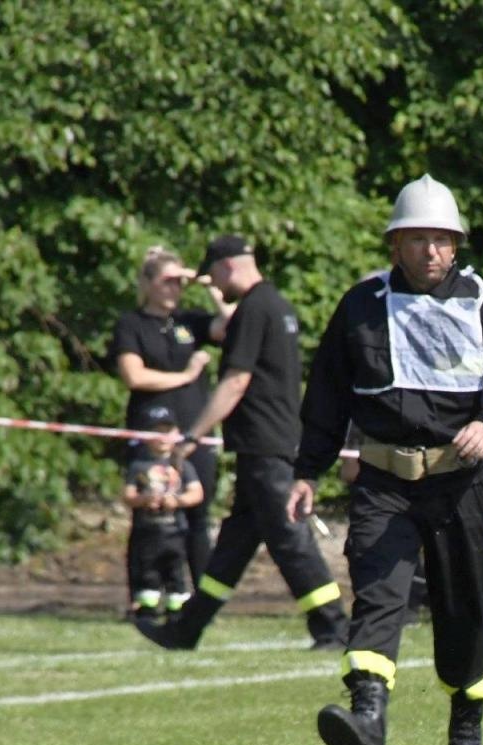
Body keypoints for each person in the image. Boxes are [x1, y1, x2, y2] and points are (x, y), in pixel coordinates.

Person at [289, 175, 483, 745]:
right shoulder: (360, 307)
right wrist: (307, 472)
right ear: (395, 244)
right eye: (417, 240)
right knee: (378, 593)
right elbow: (327, 398)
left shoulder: (481, 302)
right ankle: (368, 718)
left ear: (457, 245)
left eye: (441, 240)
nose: (430, 252)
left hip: (460, 481)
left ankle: (466, 727)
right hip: (384, 481)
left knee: (460, 604)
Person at [134, 235, 348, 652]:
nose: (214, 284)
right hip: (266, 443)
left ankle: (333, 626)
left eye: (214, 274)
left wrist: (193, 434)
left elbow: (235, 381)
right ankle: (186, 628)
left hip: (265, 445)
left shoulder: (254, 308)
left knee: (289, 538)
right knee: (233, 546)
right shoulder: (276, 305)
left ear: (228, 265)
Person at [110, 246, 231, 593]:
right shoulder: (132, 324)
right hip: (151, 431)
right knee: (148, 512)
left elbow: (232, 324)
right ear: (147, 283)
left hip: (195, 431)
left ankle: (201, 596)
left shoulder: (189, 322)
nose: (174, 289)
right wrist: (186, 375)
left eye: (179, 283)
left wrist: (208, 284)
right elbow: (134, 376)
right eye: (166, 281)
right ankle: (143, 594)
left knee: (198, 512)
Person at [122, 404, 203, 619]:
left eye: (167, 431)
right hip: (147, 530)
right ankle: (147, 607)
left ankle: (176, 607)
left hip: (175, 530)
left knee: (175, 571)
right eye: (156, 431)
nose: (162, 437)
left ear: (177, 434)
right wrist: (144, 499)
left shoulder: (182, 465)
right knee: (148, 571)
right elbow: (127, 496)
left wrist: (176, 500)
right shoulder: (138, 466)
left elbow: (197, 493)